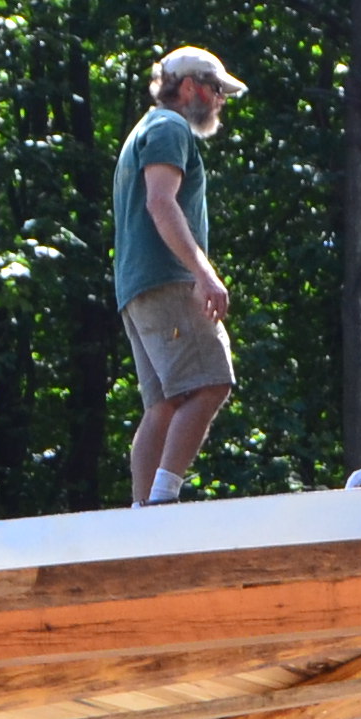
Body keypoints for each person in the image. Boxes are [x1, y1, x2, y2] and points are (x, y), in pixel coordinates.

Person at [113, 45, 247, 505]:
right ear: (189, 87)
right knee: (212, 380)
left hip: (136, 288)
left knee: (164, 404)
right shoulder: (170, 127)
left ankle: (141, 514)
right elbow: (160, 202)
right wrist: (203, 274)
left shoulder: (142, 131)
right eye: (214, 90)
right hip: (168, 280)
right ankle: (164, 501)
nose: (219, 100)